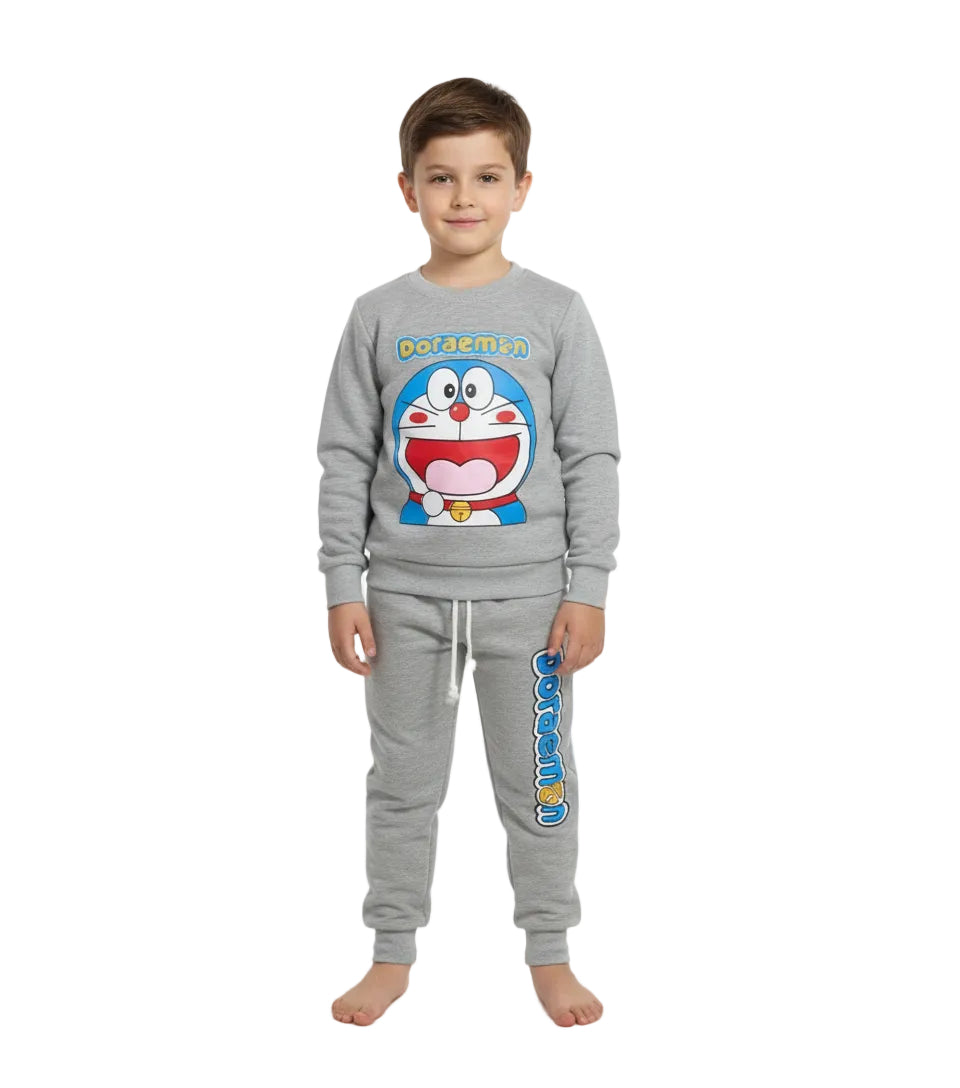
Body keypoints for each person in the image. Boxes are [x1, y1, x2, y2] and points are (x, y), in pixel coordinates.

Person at [317, 77, 620, 1027]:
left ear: (522, 187)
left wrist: (588, 587)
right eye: (441, 176)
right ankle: (391, 950)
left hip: (532, 609)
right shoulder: (377, 314)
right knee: (401, 786)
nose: (463, 197)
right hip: (401, 602)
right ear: (407, 188)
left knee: (540, 782)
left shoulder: (557, 311)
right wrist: (341, 582)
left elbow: (590, 455)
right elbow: (345, 456)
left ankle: (550, 949)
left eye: (487, 176)